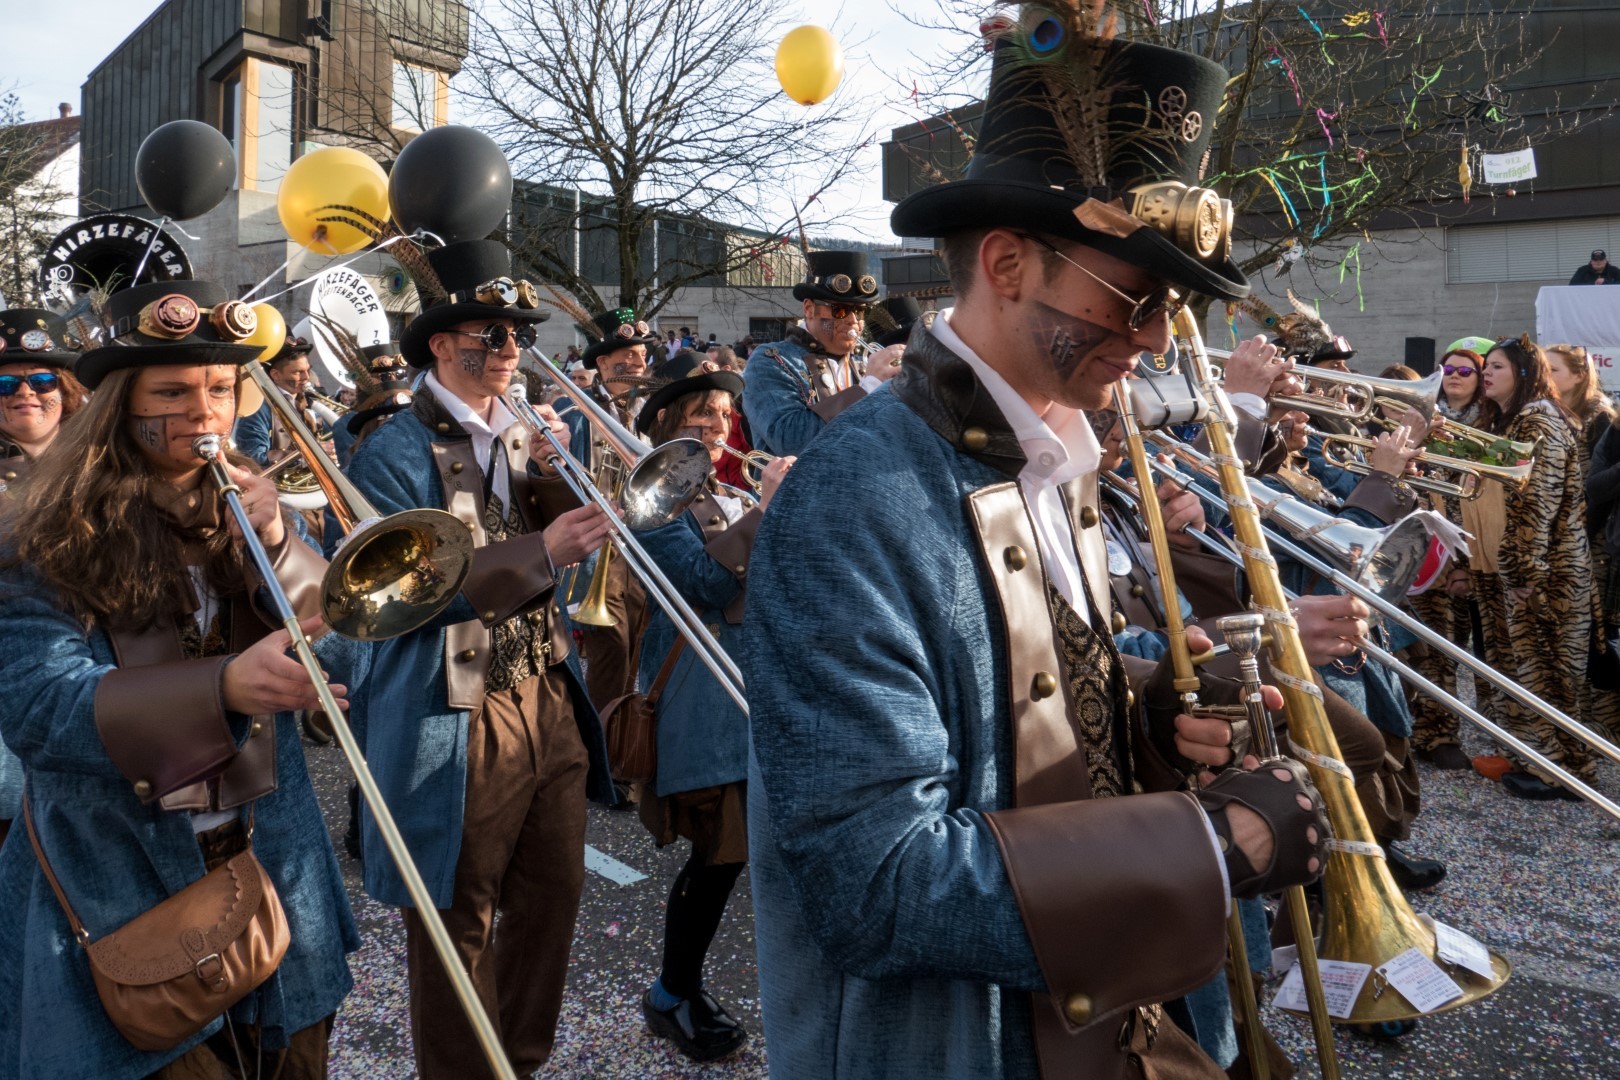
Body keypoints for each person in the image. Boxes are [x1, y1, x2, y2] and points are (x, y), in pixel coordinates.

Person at [744, 30, 1330, 1078]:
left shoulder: (1061, 454)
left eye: (1172, 307)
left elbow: (1026, 722)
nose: (1156, 339)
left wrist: (1148, 712)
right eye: (1135, 297)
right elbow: (871, 883)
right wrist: (1210, 849)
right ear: (1009, 265)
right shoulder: (853, 500)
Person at [0, 278, 359, 1078]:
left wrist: (277, 545)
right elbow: (39, 708)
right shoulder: (40, 536)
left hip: (274, 865)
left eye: (221, 389)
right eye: (172, 392)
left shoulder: (254, 507)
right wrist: (220, 690)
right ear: (120, 406)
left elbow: (342, 657)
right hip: (121, 880)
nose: (205, 413)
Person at [338, 238, 618, 1078]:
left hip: (545, 689)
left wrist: (559, 476)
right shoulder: (391, 451)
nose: (509, 349)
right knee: (458, 911)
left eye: (518, 334)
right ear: (439, 344)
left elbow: (568, 555)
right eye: (489, 335)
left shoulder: (523, 431)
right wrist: (542, 550)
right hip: (455, 703)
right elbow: (398, 598)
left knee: (552, 894)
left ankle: (519, 1060)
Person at [627, 352, 793, 1062]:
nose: (719, 429)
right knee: (719, 856)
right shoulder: (656, 495)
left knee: (753, 854)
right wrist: (766, 512)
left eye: (725, 415)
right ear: (669, 423)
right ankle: (672, 992)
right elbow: (703, 582)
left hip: (757, 685)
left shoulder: (725, 487)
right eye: (702, 417)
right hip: (704, 698)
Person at [1472, 334, 1595, 799]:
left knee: (1550, 671)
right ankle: (1544, 761)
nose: (1486, 373)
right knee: (1533, 669)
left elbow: (1536, 503)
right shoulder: (1516, 419)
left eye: (1497, 366)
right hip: (1536, 566)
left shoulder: (1536, 420)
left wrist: (1523, 571)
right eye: (1486, 366)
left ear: (1524, 372)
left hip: (1548, 571)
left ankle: (1565, 772)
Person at [0, 307, 87, 851]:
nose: (24, 393)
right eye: (6, 384)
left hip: (84, 670)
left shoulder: (105, 468)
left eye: (42, 380)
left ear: (67, 390)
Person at [563, 309, 662, 714]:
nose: (638, 363)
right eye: (628, 355)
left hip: (639, 546)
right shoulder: (576, 411)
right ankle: (600, 737)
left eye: (642, 355)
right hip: (598, 547)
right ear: (602, 363)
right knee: (612, 653)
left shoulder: (648, 410)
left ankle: (622, 733)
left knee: (636, 647)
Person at [742, 250, 905, 457]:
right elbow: (789, 439)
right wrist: (867, 388)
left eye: (860, 311)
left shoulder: (863, 364)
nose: (853, 321)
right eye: (840, 310)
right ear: (809, 309)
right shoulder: (771, 360)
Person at [232, 334, 321, 467]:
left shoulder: (308, 402)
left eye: (308, 370)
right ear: (276, 375)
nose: (307, 377)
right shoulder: (258, 407)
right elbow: (253, 457)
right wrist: (308, 457)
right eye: (298, 372)